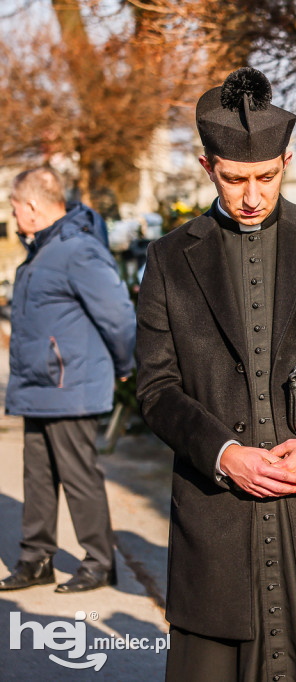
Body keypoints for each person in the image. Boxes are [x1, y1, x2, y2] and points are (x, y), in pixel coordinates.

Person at [135, 67, 296, 681]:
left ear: (284, 161)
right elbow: (156, 389)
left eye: (267, 176)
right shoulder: (169, 259)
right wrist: (224, 454)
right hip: (217, 526)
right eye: (234, 179)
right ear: (207, 167)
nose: (252, 195)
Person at [0, 167, 134, 594]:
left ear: (33, 206)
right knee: (36, 477)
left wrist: (126, 363)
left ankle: (99, 563)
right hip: (38, 386)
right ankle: (35, 559)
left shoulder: (77, 249)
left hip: (70, 386)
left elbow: (118, 315)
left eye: (15, 207)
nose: (14, 215)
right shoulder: (41, 249)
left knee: (79, 477)